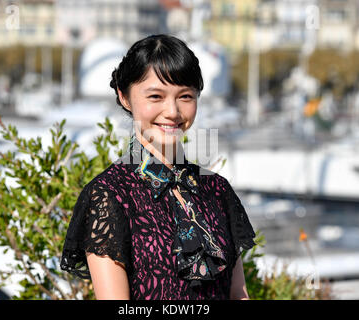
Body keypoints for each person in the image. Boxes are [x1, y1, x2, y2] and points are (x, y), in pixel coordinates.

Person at [60, 34, 257, 300]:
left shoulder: (217, 189)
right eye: (156, 96)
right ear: (125, 96)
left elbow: (238, 294)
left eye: (185, 96)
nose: (173, 111)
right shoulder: (109, 195)